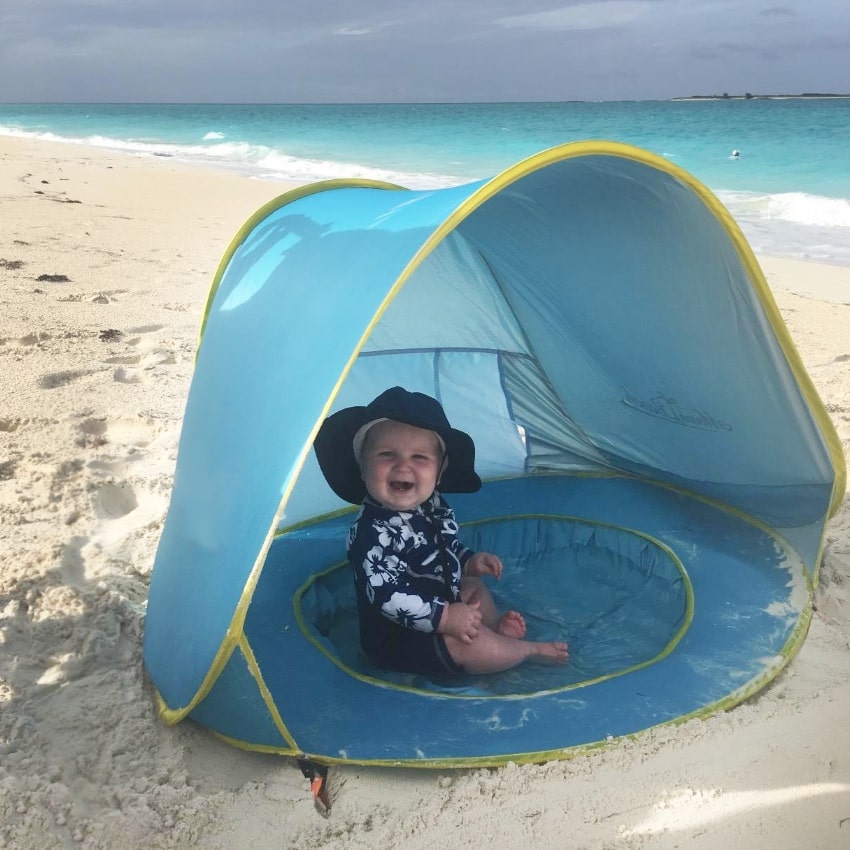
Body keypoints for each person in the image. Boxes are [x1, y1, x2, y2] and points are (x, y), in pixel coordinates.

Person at [313, 386, 569, 677]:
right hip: (399, 638)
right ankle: (526, 651)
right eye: (386, 454)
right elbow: (387, 596)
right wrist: (445, 617)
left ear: (439, 473)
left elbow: (442, 548)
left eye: (419, 458)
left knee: (474, 588)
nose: (403, 466)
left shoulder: (432, 505)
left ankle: (495, 626)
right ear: (363, 467)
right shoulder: (369, 534)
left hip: (439, 601)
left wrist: (468, 560)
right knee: (466, 645)